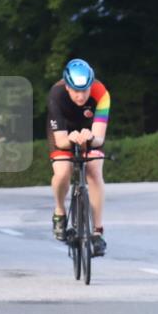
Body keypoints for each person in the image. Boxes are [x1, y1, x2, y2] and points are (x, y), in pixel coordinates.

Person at [47, 59, 110, 256]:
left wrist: (90, 138)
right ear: (67, 86)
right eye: (75, 90)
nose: (81, 95)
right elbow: (61, 141)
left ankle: (97, 232)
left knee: (94, 169)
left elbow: (99, 138)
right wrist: (71, 139)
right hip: (63, 134)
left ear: (91, 85)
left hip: (89, 133)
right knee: (63, 171)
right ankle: (59, 210)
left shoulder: (102, 94)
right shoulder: (56, 95)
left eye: (85, 90)